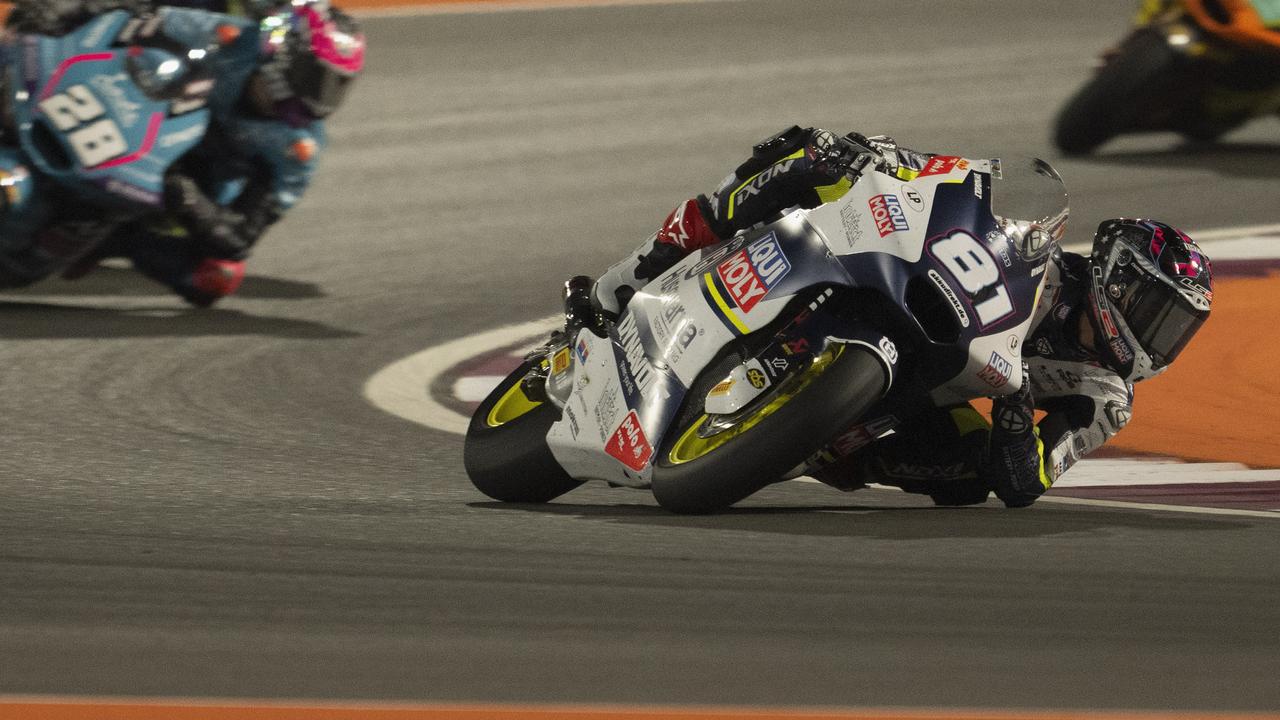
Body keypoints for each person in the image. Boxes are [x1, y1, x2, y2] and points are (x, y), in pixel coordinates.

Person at [589, 126, 1214, 508]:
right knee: (806, 155)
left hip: (937, 392)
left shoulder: (1105, 398)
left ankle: (835, 446)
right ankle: (635, 272)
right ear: (1121, 281)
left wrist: (1017, 405)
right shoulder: (1046, 259)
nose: (1161, 339)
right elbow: (969, 195)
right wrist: (894, 159)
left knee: (971, 482)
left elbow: (1028, 483)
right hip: (913, 297)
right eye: (1159, 315)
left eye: (1175, 329)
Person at [3, 0, 366, 306]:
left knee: (214, 279)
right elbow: (133, 13)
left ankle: (104, 242)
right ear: (284, 53)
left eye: (336, 86)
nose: (320, 99)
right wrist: (63, 17)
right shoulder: (228, 37)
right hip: (134, 128)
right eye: (315, 77)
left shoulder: (296, 149)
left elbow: (241, 239)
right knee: (17, 45)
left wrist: (191, 202)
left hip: (182, 186)